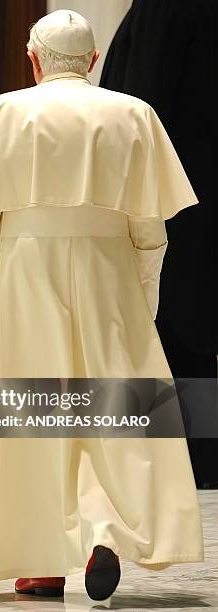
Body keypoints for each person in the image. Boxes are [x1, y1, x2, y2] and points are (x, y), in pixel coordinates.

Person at [0, 9, 204, 601]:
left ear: (31, 59)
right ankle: (104, 526)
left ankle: (40, 562)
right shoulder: (134, 114)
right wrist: (142, 301)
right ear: (93, 60)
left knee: (32, 408)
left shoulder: (0, 114)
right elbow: (150, 228)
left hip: (24, 272)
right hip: (108, 271)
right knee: (112, 408)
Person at [99, 0, 218, 489]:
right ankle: (204, 454)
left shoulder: (164, 7)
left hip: (175, 189)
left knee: (174, 320)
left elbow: (139, 105)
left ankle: (189, 457)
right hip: (197, 180)